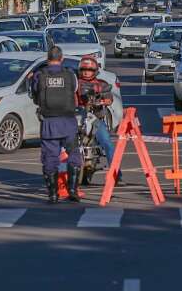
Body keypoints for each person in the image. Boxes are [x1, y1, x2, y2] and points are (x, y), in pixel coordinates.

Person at [31, 46, 83, 203]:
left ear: (48, 59)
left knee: (50, 158)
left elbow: (34, 95)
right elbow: (75, 91)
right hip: (68, 122)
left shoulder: (40, 75)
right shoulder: (70, 75)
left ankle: (53, 194)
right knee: (74, 154)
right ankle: (72, 190)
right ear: (62, 59)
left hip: (49, 123)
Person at [76, 55, 123, 185]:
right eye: (84, 69)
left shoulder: (101, 84)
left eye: (90, 70)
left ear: (95, 71)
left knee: (107, 142)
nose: (86, 72)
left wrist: (105, 99)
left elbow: (109, 97)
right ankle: (63, 174)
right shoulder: (74, 84)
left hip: (95, 119)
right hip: (77, 118)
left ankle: (117, 174)